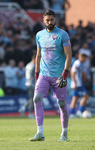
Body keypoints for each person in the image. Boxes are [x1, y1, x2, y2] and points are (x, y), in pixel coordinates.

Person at [29, 10, 72, 142]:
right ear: (43, 20)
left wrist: (65, 74)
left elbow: (68, 55)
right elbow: (38, 55)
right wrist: (37, 73)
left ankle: (64, 134)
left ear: (55, 20)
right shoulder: (39, 35)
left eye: (52, 20)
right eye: (47, 20)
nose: (49, 22)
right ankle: (40, 133)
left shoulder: (62, 35)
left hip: (59, 76)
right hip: (44, 74)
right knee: (36, 99)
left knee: (62, 104)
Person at [69, 50, 89, 118]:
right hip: (77, 84)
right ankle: (79, 112)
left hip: (78, 83)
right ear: (82, 57)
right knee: (85, 96)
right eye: (85, 58)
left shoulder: (81, 64)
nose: (86, 60)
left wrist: (84, 77)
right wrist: (74, 83)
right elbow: (72, 72)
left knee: (76, 98)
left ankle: (73, 113)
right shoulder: (77, 63)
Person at [19, 54, 36, 118]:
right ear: (34, 59)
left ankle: (23, 108)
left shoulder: (28, 65)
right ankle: (30, 113)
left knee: (32, 98)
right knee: (32, 99)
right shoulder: (33, 66)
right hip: (32, 84)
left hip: (27, 83)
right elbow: (34, 76)